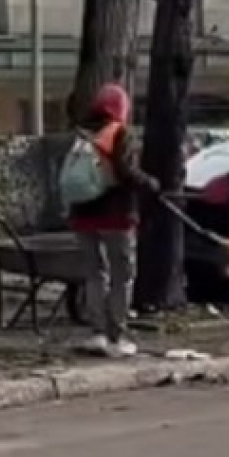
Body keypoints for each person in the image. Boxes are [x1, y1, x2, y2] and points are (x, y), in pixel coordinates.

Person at [68, 83, 159, 357]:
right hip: (116, 215)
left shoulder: (84, 133)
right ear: (121, 109)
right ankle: (116, 337)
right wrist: (151, 184)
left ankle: (96, 333)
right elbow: (126, 171)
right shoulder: (119, 132)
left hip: (83, 214)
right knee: (122, 276)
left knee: (95, 274)